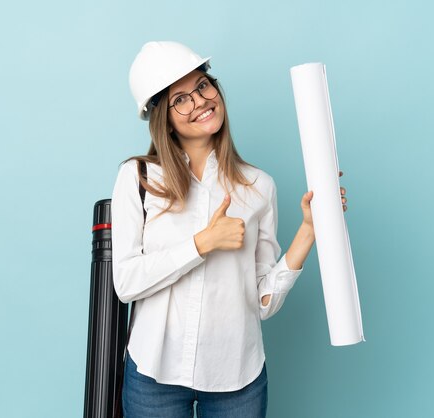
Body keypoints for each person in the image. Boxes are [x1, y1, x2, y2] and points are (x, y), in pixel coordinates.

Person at [111, 41, 347, 418]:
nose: (200, 101)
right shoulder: (139, 178)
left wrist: (308, 231)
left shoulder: (259, 187)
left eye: (203, 86)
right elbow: (126, 283)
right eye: (181, 99)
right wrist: (202, 243)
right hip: (154, 374)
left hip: (236, 378)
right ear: (163, 118)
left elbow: (260, 303)